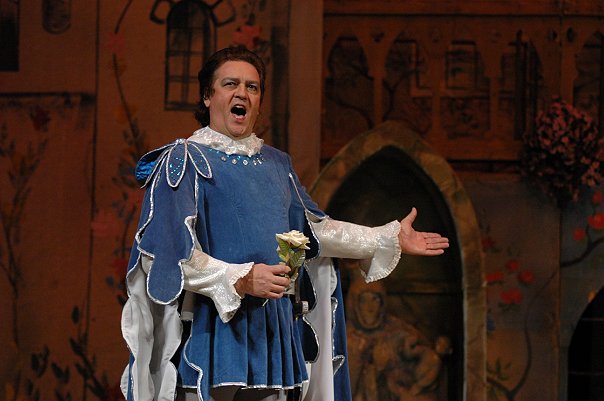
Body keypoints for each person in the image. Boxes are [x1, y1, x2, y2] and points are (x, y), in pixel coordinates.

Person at [120, 46, 449, 401]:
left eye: (252, 87)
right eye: (230, 84)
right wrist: (241, 278)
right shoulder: (184, 160)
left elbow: (315, 231)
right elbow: (164, 256)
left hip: (273, 332)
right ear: (207, 96)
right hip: (213, 332)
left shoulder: (277, 165)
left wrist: (387, 238)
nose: (242, 93)